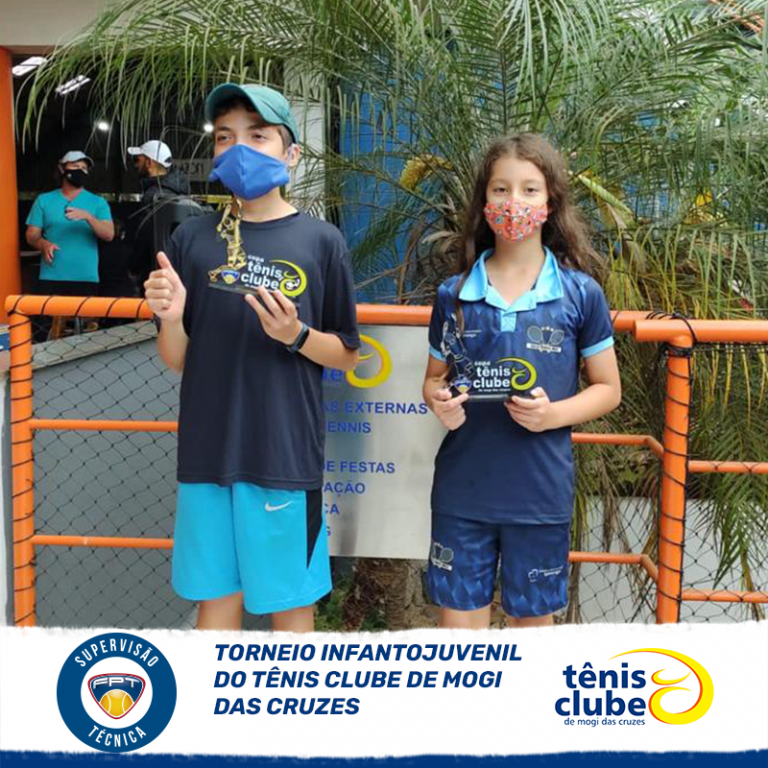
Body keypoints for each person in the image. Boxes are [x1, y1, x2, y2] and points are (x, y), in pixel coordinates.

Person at [144, 83, 360, 632]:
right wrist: (172, 316)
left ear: (291, 153)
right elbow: (177, 358)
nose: (239, 149)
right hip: (207, 454)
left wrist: (295, 334)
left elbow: (346, 354)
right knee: (216, 603)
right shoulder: (191, 240)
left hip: (283, 454)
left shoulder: (321, 241)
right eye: (225, 137)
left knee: (291, 605)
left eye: (258, 136)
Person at [423, 134, 621, 630]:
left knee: (531, 631)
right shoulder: (453, 295)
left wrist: (552, 415)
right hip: (463, 492)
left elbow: (607, 389)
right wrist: (438, 402)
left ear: (551, 201)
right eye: (501, 189)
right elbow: (433, 380)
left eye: (530, 189)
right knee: (458, 635)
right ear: (484, 200)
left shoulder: (580, 294)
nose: (514, 202)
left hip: (539, 495)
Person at [25, 150, 114, 338]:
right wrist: (43, 244)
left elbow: (109, 234)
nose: (80, 170)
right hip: (51, 276)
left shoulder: (97, 202)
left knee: (86, 334)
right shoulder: (44, 200)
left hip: (86, 278)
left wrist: (88, 217)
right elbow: (32, 235)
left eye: (84, 168)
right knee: (46, 331)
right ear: (62, 168)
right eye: (75, 166)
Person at [127, 140, 200, 292]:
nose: (135, 165)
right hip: (179, 273)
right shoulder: (182, 192)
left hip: (155, 275)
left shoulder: (153, 195)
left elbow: (144, 238)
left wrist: (133, 267)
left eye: (138, 160)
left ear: (149, 162)